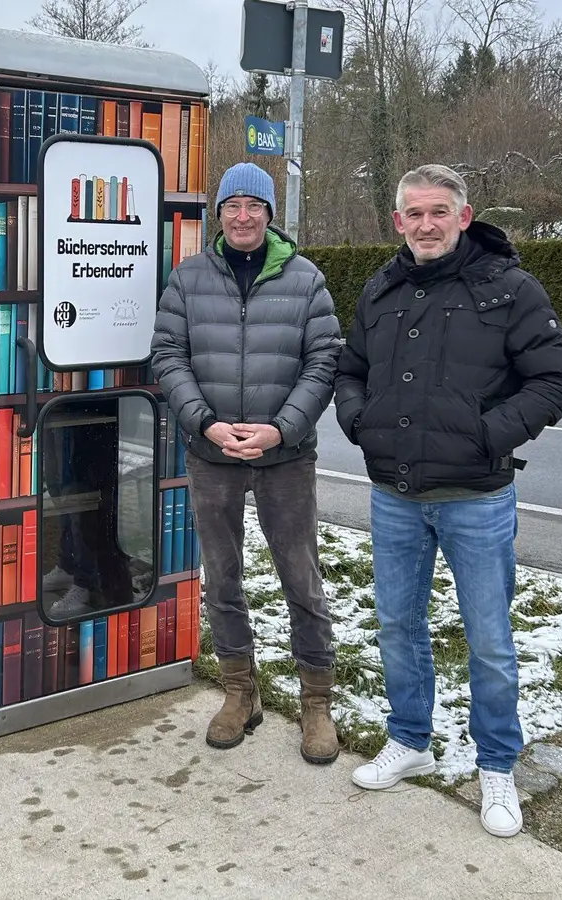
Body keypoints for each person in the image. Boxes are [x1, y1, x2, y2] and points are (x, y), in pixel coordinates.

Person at [333, 164, 562, 838]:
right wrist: (360, 421)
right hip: (395, 496)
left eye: (439, 211)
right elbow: (348, 369)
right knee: (397, 627)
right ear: (398, 222)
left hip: (477, 498)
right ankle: (410, 740)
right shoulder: (382, 290)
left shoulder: (509, 288)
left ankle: (496, 762)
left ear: (464, 217)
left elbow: (556, 378)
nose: (427, 224)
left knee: (491, 640)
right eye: (414, 213)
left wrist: (486, 436)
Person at [150, 162, 343, 764]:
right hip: (212, 455)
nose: (242, 215)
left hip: (285, 458)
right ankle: (241, 692)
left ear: (269, 213)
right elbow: (167, 355)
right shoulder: (187, 278)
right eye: (231, 204)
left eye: (253, 205)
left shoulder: (306, 280)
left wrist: (280, 429)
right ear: (219, 214)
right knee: (223, 579)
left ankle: (316, 703)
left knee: (301, 579)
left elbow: (325, 362)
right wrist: (204, 422)